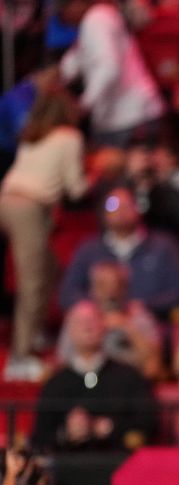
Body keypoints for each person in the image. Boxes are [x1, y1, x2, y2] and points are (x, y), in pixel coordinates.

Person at [0, 86, 90, 381]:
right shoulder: (69, 137)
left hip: (7, 200)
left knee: (50, 267)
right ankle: (19, 357)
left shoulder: (32, 137)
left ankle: (35, 333)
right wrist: (100, 174)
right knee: (33, 282)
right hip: (29, 208)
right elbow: (75, 188)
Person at [34, 301, 158, 452]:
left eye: (92, 320)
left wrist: (111, 427)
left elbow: (149, 424)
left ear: (104, 326)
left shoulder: (129, 376)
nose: (87, 327)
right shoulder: (56, 383)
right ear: (69, 332)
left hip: (118, 463)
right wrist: (66, 433)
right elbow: (39, 437)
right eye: (80, 322)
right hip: (67, 467)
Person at [59, 185, 179, 318]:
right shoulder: (89, 250)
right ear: (103, 213)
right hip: (98, 323)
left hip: (150, 323)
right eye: (113, 206)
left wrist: (144, 306)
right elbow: (68, 293)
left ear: (138, 208)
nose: (120, 211)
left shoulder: (163, 246)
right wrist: (99, 308)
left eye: (126, 205)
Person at [57, 0, 165, 146]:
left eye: (63, 11)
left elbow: (108, 68)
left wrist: (83, 105)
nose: (65, 20)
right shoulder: (101, 17)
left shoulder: (96, 19)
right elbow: (74, 61)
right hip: (130, 117)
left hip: (128, 119)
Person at [56, 260, 162, 380]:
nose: (111, 293)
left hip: (126, 385)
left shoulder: (139, 317)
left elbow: (154, 366)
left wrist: (127, 327)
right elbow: (63, 362)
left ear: (126, 289)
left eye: (118, 285)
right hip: (84, 382)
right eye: (103, 285)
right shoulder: (79, 317)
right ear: (92, 289)